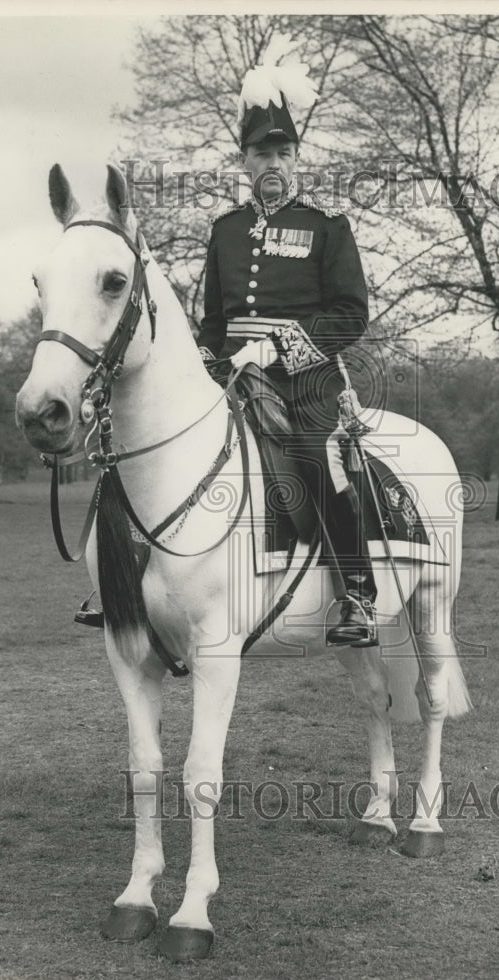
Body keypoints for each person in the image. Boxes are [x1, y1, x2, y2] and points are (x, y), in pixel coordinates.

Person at [197, 41, 378, 647]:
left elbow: (351, 314)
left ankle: (356, 593)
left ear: (296, 158)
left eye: (282, 151)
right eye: (259, 152)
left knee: (315, 460)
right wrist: (205, 364)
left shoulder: (327, 227)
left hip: (306, 382)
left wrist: (279, 349)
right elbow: (212, 322)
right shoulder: (223, 231)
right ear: (243, 161)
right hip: (232, 379)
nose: (271, 162)